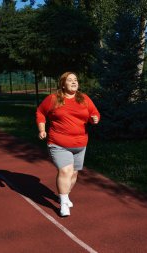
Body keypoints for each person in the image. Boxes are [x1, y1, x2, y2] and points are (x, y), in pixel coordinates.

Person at [36, 72, 100, 217]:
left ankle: (64, 195)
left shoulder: (84, 99)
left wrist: (95, 119)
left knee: (74, 173)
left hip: (80, 143)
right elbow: (40, 112)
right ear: (63, 84)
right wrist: (42, 129)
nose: (73, 82)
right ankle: (64, 203)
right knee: (65, 171)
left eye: (75, 80)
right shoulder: (54, 99)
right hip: (58, 143)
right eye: (70, 80)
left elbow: (94, 113)